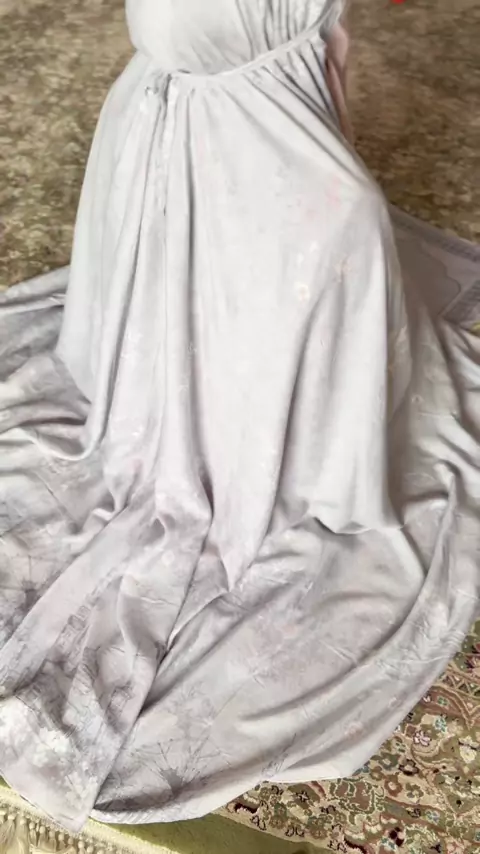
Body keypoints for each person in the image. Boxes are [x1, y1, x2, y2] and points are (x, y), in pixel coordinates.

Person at [0, 0, 479, 833]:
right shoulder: (338, 219)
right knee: (348, 221)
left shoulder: (152, 112)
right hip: (247, 110)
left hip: (204, 89)